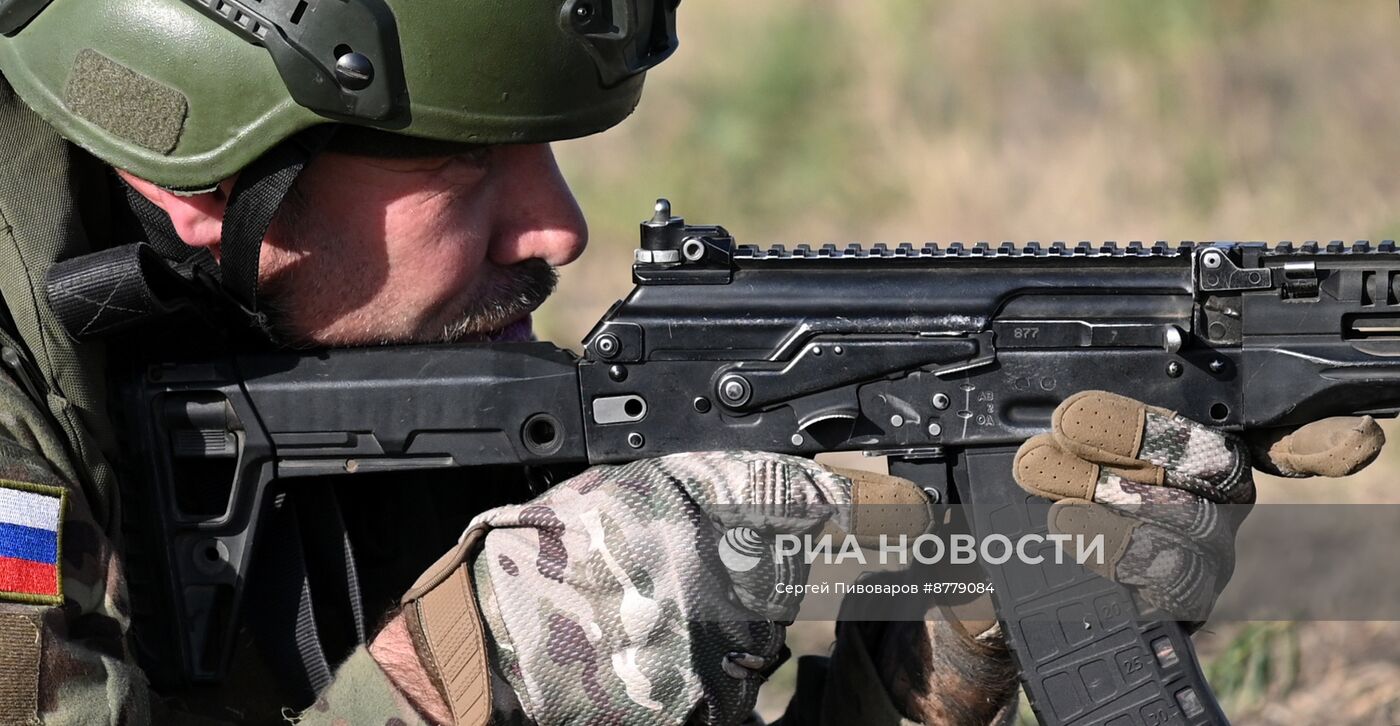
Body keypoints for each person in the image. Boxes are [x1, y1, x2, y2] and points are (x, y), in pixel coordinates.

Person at [0, 2, 1384, 724]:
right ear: (203, 179)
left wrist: (947, 636)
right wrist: (500, 658)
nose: (557, 225)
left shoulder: (350, 340)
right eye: (469, 163)